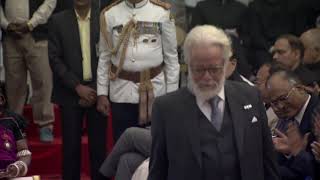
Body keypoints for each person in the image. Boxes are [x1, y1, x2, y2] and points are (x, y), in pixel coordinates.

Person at [148, 25, 280, 180]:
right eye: (199, 70)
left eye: (214, 69)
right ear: (188, 66)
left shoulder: (250, 96)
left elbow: (267, 159)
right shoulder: (166, 108)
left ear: (226, 65)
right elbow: (158, 170)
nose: (207, 77)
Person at [97, 0, 180, 140]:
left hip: (155, 92)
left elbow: (171, 58)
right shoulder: (110, 14)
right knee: (122, 144)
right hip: (121, 92)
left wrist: (171, 96)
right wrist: (102, 93)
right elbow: (104, 56)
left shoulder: (162, 13)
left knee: (153, 146)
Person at [48, 0, 107, 179]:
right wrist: (77, 86)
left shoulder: (104, 19)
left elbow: (110, 56)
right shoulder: (57, 21)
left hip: (98, 92)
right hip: (69, 93)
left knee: (99, 152)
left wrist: (97, 89)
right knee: (70, 151)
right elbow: (54, 59)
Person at [0, 0, 56, 143]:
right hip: (10, 36)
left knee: (42, 81)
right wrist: (6, 25)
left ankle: (45, 125)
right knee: (14, 85)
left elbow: (50, 1)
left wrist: (31, 24)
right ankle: (15, 126)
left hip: (36, 34)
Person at [266, 70, 319, 180]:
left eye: (283, 98)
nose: (280, 106)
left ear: (299, 89)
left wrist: (298, 153)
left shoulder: (317, 115)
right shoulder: (285, 119)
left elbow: (313, 172)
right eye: (274, 103)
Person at [0, 87, 31, 179]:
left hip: (9, 173)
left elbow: (24, 152)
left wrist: (18, 167)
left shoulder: (12, 120)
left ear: (1, 100)